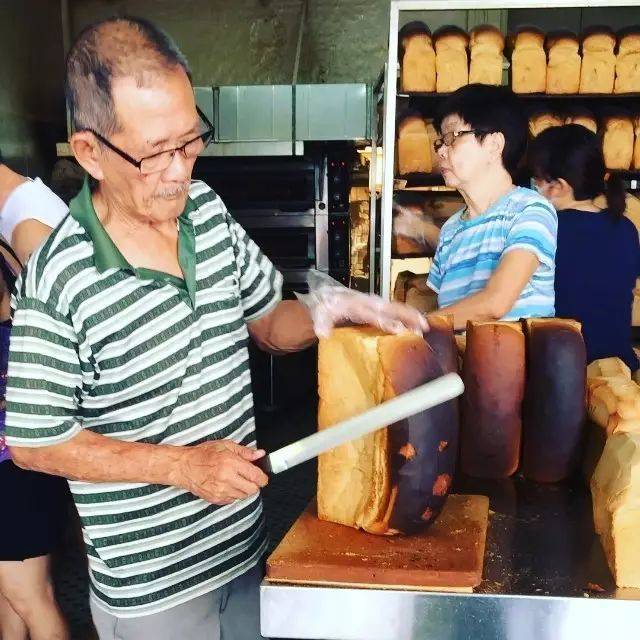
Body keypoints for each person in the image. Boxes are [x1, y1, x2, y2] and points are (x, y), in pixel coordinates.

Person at [4, 17, 428, 640]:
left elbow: (271, 323)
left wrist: (329, 310)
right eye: (155, 153)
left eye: (191, 140)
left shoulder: (205, 211)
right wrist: (182, 467)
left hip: (244, 548)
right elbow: (34, 441)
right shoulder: (59, 275)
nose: (180, 170)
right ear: (89, 152)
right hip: (154, 591)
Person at [0, 151, 69, 639]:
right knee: (14, 604)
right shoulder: (14, 240)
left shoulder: (25, 230)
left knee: (30, 598)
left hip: (13, 467)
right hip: (24, 458)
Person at [424, 84, 558, 329]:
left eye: (452, 137)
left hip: (513, 355)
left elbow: (495, 303)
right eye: (440, 141)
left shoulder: (530, 210)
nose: (441, 151)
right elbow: (447, 313)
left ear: (494, 145)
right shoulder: (451, 229)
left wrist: (418, 324)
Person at [529, 124, 640, 371]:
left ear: (558, 186)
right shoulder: (625, 228)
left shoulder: (544, 230)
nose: (534, 187)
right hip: (619, 366)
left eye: (537, 180)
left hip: (563, 370)